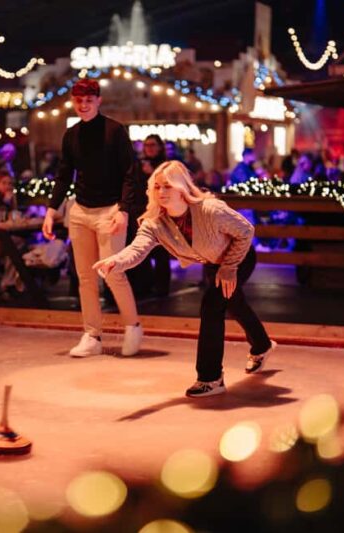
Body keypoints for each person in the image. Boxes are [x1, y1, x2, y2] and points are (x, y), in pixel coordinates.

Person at [94, 161, 276, 398]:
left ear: (182, 187)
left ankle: (211, 378)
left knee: (212, 305)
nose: (161, 192)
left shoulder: (210, 209)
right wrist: (115, 261)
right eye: (157, 187)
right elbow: (137, 249)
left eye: (167, 186)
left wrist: (230, 266)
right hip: (213, 262)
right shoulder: (155, 222)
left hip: (238, 256)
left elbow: (246, 231)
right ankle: (262, 345)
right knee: (232, 302)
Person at [41, 78, 143, 357]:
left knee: (113, 273)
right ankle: (92, 335)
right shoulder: (71, 135)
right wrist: (52, 210)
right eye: (78, 100)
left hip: (110, 210)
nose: (83, 105)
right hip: (80, 211)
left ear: (98, 101)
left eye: (88, 100)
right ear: (73, 102)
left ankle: (133, 326)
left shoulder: (115, 131)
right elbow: (64, 175)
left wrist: (124, 210)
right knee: (85, 277)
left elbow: (130, 174)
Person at [128, 134, 171, 297]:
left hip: (159, 213)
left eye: (153, 145)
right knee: (140, 249)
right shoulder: (138, 165)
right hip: (140, 211)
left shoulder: (166, 166)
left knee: (160, 250)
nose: (149, 148)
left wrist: (152, 173)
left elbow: (168, 186)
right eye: (146, 145)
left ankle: (162, 287)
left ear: (160, 147)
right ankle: (144, 285)